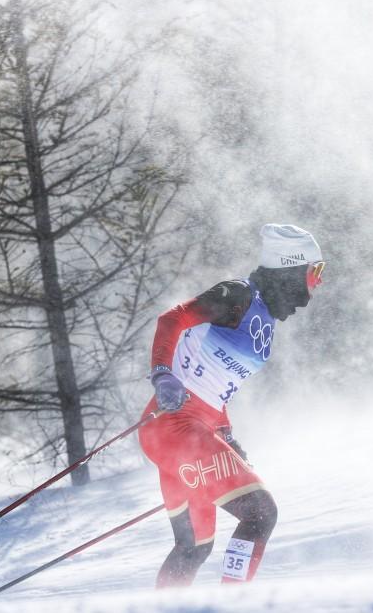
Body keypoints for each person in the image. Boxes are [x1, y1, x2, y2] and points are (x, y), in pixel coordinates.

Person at [137, 223, 325, 587]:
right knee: (260, 514)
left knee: (193, 547)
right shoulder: (239, 295)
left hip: (186, 431)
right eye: (314, 272)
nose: (315, 285)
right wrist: (162, 373)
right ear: (290, 269)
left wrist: (225, 433)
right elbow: (173, 318)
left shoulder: (265, 320)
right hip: (175, 425)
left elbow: (218, 385)